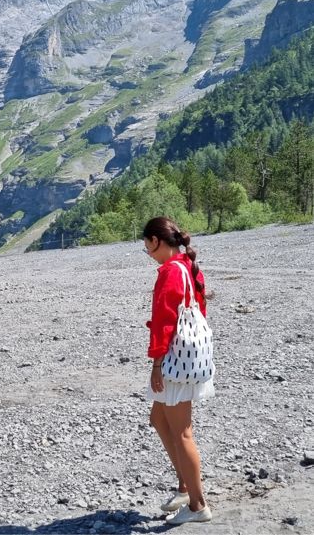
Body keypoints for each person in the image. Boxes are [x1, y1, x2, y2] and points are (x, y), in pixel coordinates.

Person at [142, 216, 214, 525]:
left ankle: (198, 506)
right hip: (189, 356)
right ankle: (185, 486)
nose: (146, 251)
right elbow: (199, 306)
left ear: (156, 241)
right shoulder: (186, 264)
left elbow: (164, 321)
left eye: (146, 245)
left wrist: (157, 363)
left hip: (175, 360)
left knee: (182, 431)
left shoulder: (170, 272)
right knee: (158, 418)